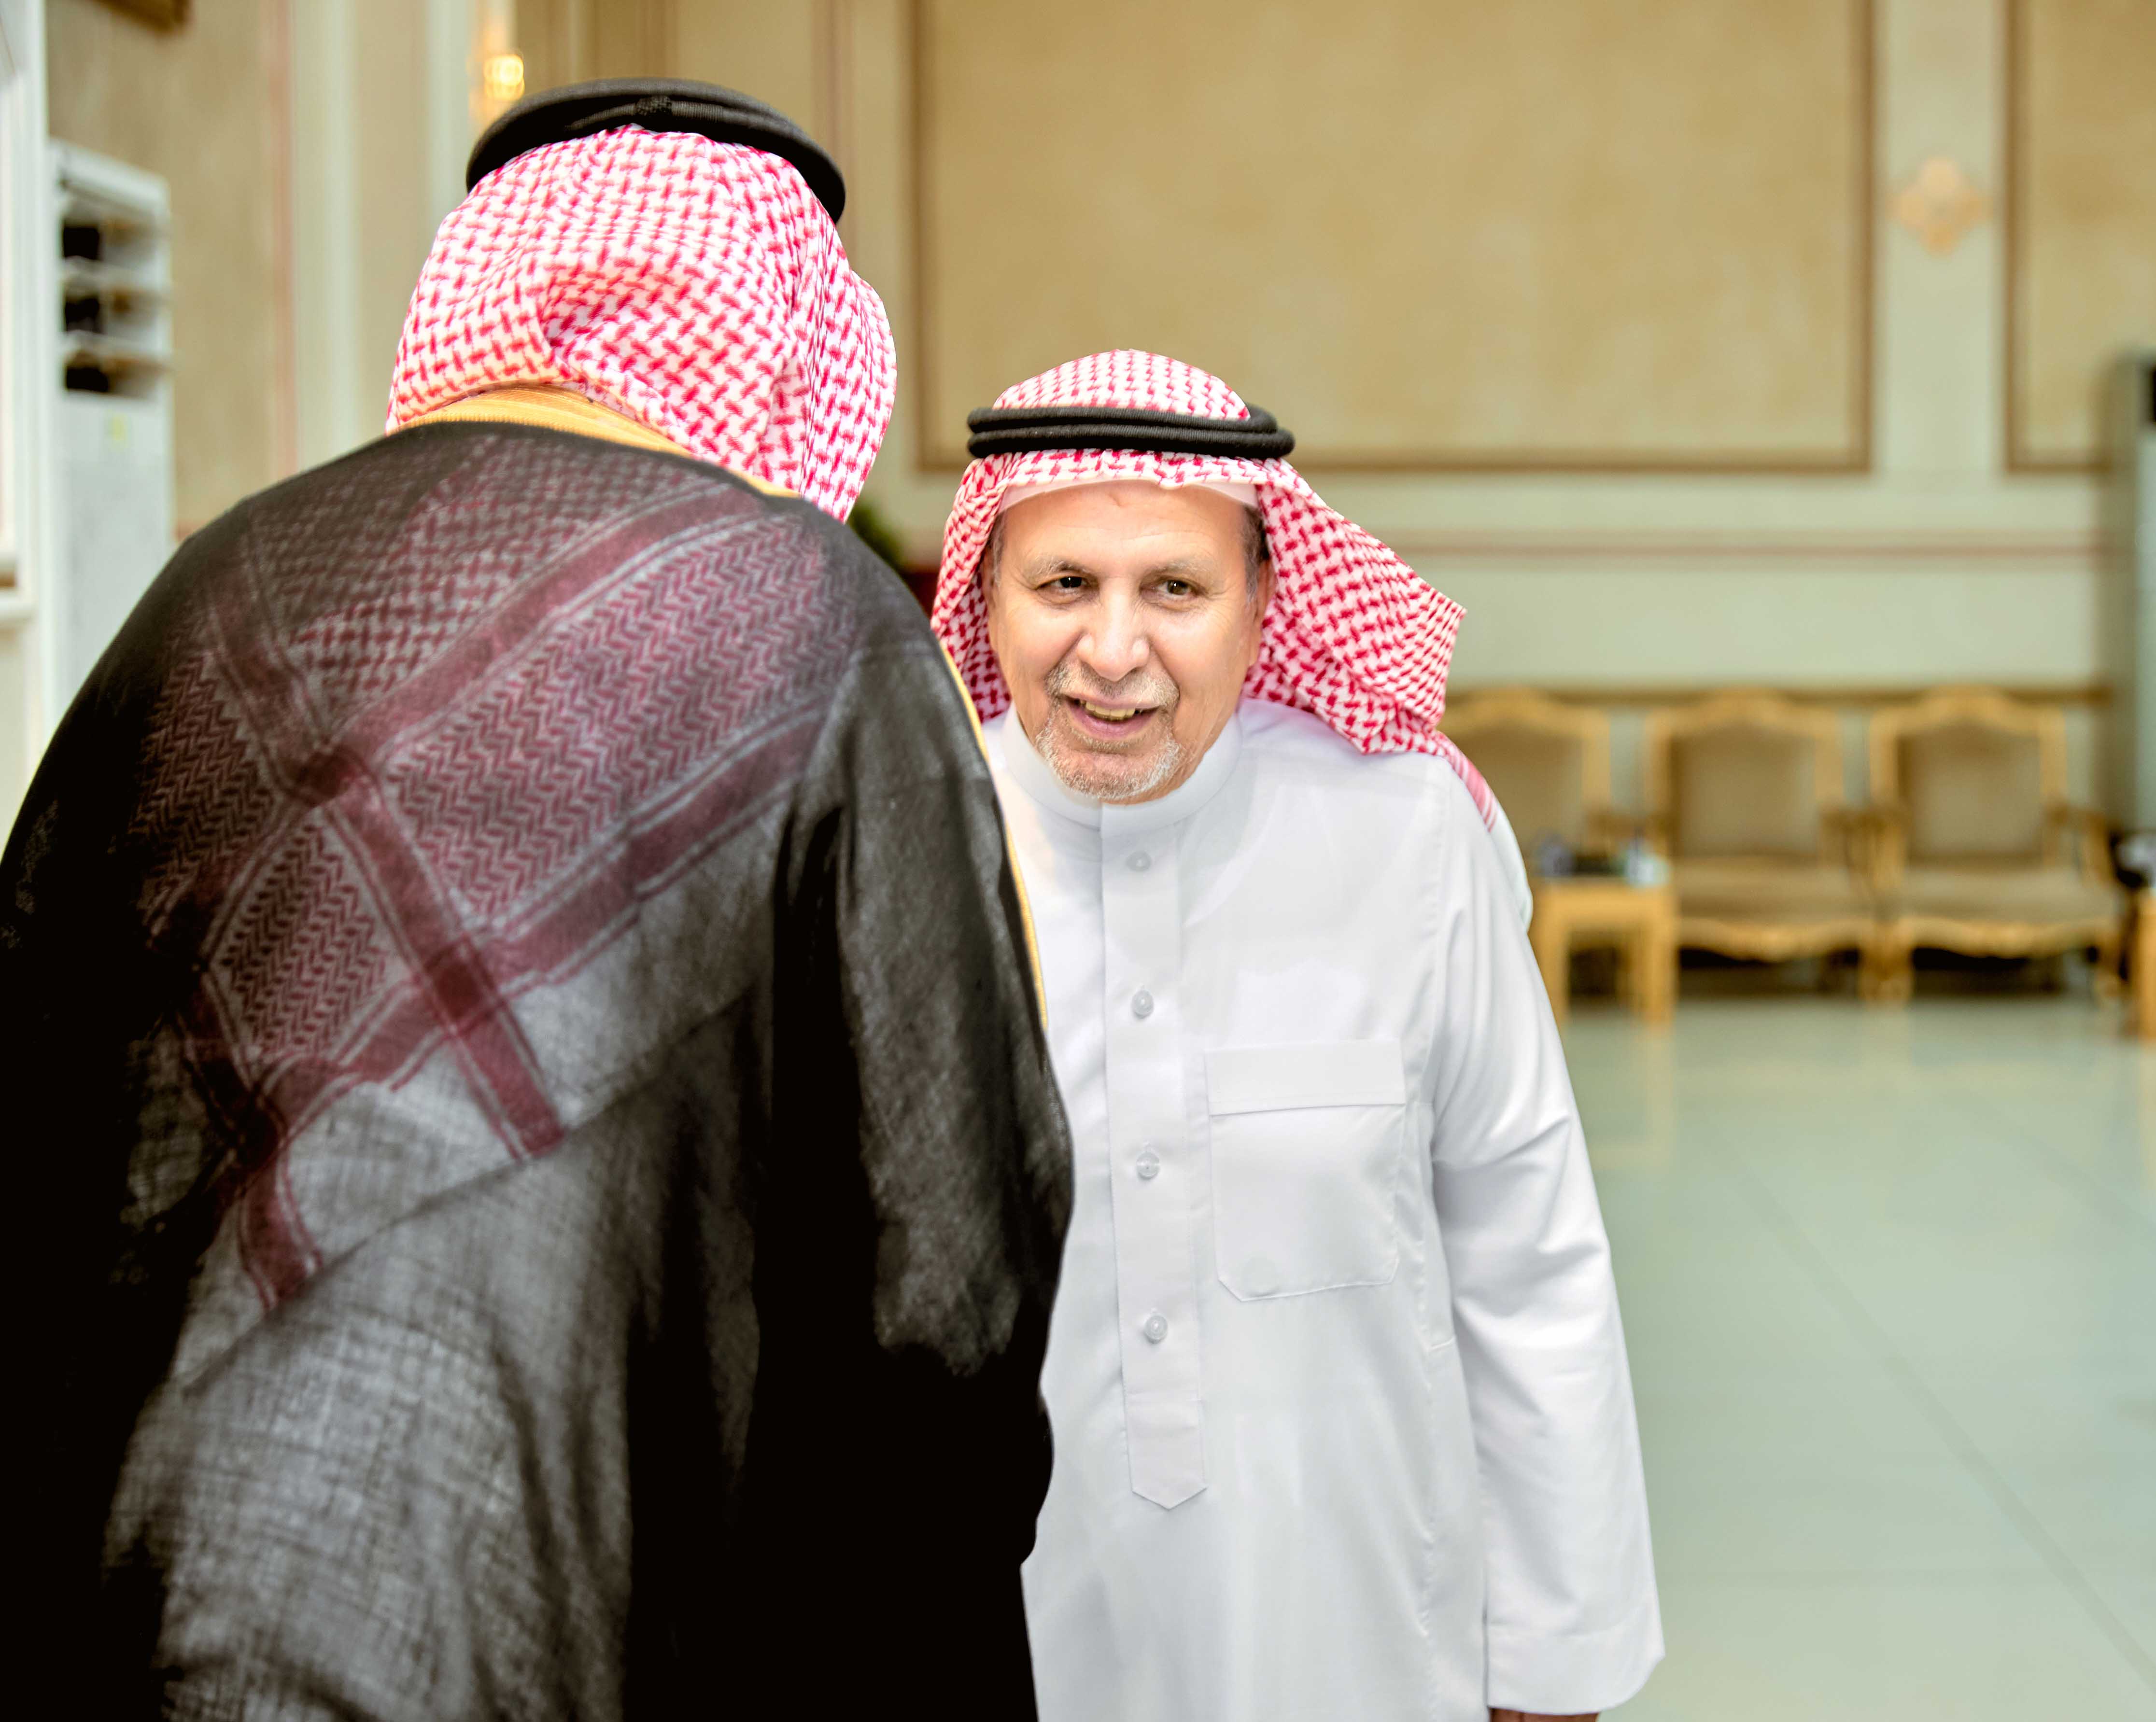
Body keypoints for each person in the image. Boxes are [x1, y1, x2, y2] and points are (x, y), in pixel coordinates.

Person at [4, 81, 1070, 1716]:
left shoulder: (203, 589)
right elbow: (944, 1291)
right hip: (586, 1634)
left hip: (131, 1618)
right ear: (788, 336)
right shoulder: (813, 617)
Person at [929, 351, 1661, 1722]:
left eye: (1175, 589)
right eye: (1063, 582)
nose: (1112, 649)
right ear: (984, 595)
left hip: (1360, 1625)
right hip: (997, 1633)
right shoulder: (903, 839)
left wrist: (1554, 1657)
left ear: (1264, 603)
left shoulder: (1407, 832)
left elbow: (1524, 1251)